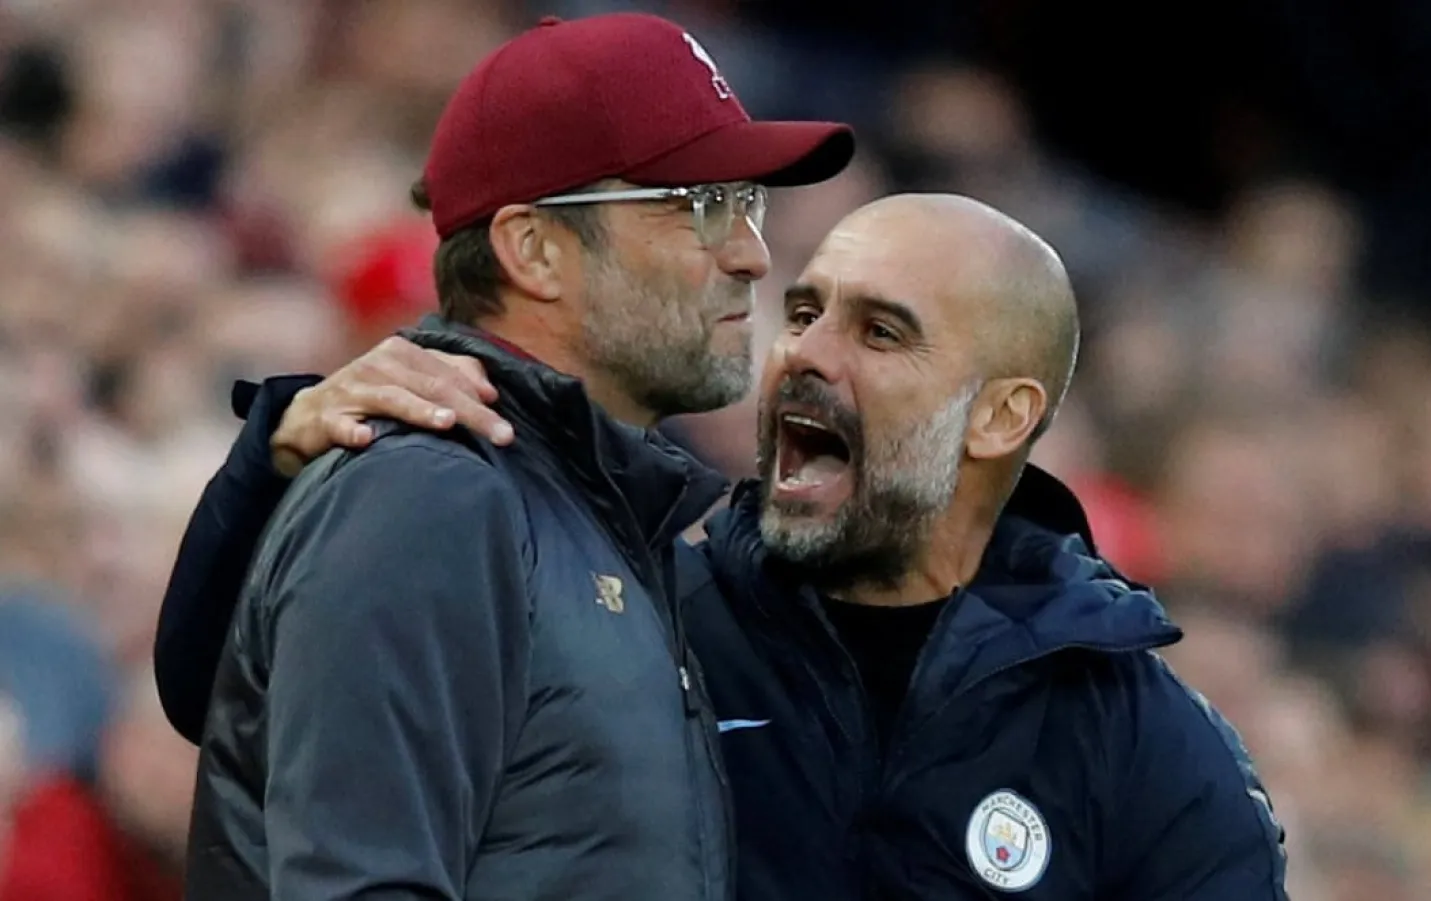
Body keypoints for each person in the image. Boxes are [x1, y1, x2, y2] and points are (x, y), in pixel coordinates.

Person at [159, 195, 1288, 900]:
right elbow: (238, 701)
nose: (803, 355)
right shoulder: (642, 615)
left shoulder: (1139, 740)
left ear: (999, 416)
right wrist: (283, 462)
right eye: (802, 313)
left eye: (880, 331)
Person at [175, 11, 855, 901]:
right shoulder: (431, 495)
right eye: (701, 206)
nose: (752, 255)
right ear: (534, 249)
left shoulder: (597, 510)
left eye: (749, 204)